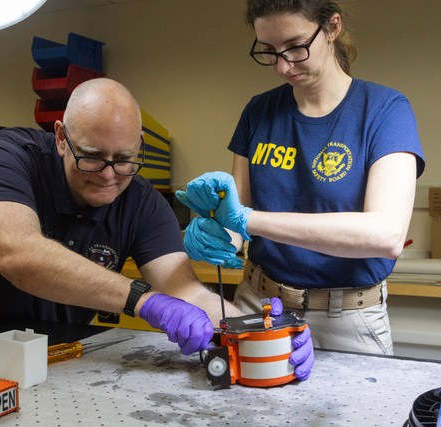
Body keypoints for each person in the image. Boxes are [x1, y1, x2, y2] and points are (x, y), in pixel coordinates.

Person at [0, 78, 315, 378]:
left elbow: (185, 291)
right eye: (93, 157)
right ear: (61, 138)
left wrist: (268, 334)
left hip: (61, 344)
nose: (108, 175)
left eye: (124, 159)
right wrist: (143, 300)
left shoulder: (142, 201)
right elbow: (19, 255)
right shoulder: (7, 155)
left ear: (140, 146)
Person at [176, 0, 425, 355]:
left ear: (333, 27)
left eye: (295, 47)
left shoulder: (385, 110)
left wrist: (249, 220)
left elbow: (386, 235)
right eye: (269, 51)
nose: (282, 66)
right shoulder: (259, 111)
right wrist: (220, 234)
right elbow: (239, 215)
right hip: (257, 304)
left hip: (346, 320)